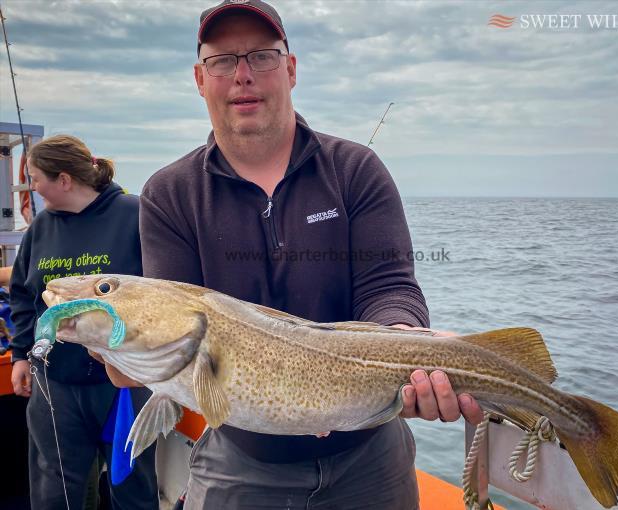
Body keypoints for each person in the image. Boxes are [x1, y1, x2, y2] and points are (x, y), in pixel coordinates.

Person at [136, 1, 483, 508]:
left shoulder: (356, 170)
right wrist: (127, 357)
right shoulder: (169, 194)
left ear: (291, 69)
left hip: (372, 459)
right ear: (199, 77)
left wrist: (408, 343)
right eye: (222, 61)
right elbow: (176, 324)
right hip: (240, 462)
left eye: (262, 56)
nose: (243, 76)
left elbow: (389, 286)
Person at [8, 135, 159, 510]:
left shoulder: (135, 215)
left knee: (131, 484)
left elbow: (162, 295)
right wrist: (21, 356)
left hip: (124, 385)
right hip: (54, 382)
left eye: (35, 178)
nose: (31, 188)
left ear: (63, 179)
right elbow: (24, 296)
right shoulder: (41, 228)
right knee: (55, 487)